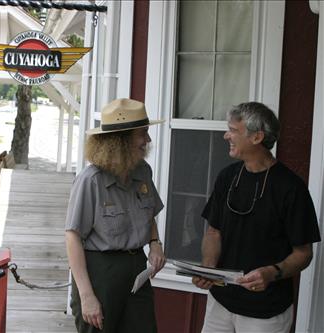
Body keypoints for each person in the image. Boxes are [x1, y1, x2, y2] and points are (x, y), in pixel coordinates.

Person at [192, 102, 321, 332]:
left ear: (257, 137)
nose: (226, 135)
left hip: (265, 313)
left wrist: (272, 272)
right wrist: (208, 268)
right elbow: (214, 231)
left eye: (233, 130)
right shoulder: (227, 177)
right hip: (220, 303)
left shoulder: (291, 188)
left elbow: (304, 254)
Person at [65, 98, 167, 333]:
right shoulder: (91, 181)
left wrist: (155, 244)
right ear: (120, 140)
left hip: (137, 268)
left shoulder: (142, 170)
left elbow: (149, 212)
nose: (148, 140)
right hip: (100, 271)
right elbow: (72, 238)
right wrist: (87, 296)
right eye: (143, 134)